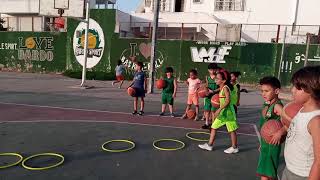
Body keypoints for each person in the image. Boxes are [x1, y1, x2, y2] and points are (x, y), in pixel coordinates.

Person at [282, 66, 320, 180]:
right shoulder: (301, 109)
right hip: (289, 169)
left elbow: (319, 162)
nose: (292, 90)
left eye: (297, 88)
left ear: (311, 89)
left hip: (302, 175)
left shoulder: (316, 121)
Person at [198, 70, 239, 154]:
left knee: (232, 130)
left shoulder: (225, 88)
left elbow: (228, 101)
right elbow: (218, 94)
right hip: (223, 112)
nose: (215, 80)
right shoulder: (222, 87)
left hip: (228, 112)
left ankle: (234, 147)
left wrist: (219, 110)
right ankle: (209, 145)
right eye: (215, 78)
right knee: (214, 126)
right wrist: (208, 91)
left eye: (217, 78)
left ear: (223, 80)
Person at [256, 76, 286, 180]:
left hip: (272, 143)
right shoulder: (267, 104)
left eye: (267, 91)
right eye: (262, 91)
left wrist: (280, 132)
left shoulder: (277, 106)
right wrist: (262, 143)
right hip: (266, 142)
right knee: (267, 173)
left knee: (267, 173)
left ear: (277, 91)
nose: (263, 93)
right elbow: (264, 125)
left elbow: (290, 122)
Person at [202, 63, 220, 129]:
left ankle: (213, 124)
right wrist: (206, 89)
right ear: (208, 70)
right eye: (211, 70)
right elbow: (205, 85)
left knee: (213, 111)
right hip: (208, 96)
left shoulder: (218, 77)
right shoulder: (207, 78)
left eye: (214, 69)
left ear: (216, 70)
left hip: (215, 96)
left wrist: (214, 91)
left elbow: (221, 87)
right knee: (207, 110)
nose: (213, 71)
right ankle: (206, 123)